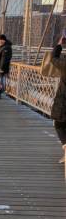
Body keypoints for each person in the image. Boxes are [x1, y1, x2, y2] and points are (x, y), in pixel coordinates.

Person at [51, 34, 66, 163]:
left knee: (59, 123)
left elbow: (54, 58)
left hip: (64, 99)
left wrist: (59, 45)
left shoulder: (64, 63)